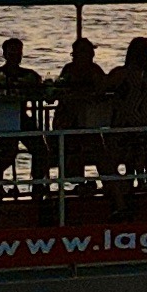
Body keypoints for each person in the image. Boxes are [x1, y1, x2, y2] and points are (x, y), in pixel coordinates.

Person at [0, 37, 47, 201]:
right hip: (2, 118)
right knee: (10, 150)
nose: (15, 56)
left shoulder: (29, 75)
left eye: (18, 52)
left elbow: (40, 92)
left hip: (21, 117)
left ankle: (37, 185)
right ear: (4, 54)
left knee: (41, 148)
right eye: (11, 52)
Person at [107, 36, 147, 183]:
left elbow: (101, 88)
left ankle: (121, 184)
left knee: (105, 145)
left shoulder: (121, 74)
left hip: (124, 128)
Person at [53, 37, 112, 191]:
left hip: (89, 118)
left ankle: (105, 182)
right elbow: (62, 89)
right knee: (69, 140)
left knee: (97, 144)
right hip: (68, 118)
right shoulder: (69, 69)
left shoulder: (95, 70)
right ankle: (76, 179)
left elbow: (102, 88)